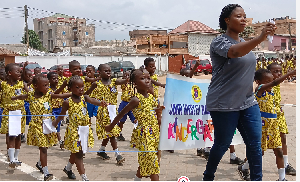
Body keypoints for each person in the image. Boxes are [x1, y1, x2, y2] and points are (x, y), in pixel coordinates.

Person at [203, 4, 276, 181]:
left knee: (255, 144)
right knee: (222, 144)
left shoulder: (245, 42)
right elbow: (234, 53)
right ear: (227, 20)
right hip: (224, 103)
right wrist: (260, 37)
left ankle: (256, 179)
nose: (243, 19)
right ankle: (208, 176)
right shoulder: (220, 42)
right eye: (238, 16)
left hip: (247, 102)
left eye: (245, 16)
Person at [105, 68, 164, 181]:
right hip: (144, 135)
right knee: (152, 163)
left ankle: (137, 179)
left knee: (148, 161)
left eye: (148, 78)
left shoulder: (152, 98)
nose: (147, 80)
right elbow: (121, 113)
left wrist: (159, 111)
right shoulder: (136, 100)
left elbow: (156, 113)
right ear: (135, 84)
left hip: (155, 133)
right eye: (142, 78)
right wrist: (111, 126)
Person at [11, 74, 71, 181]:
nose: (47, 87)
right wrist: (14, 98)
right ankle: (46, 173)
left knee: (46, 146)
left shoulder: (48, 95)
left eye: (48, 85)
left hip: (48, 124)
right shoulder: (30, 96)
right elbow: (22, 97)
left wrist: (74, 94)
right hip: (36, 126)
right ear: (35, 86)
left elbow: (60, 96)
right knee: (43, 148)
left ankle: (40, 163)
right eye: (45, 85)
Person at [240, 68, 295, 181]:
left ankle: (282, 178)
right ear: (259, 82)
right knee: (260, 153)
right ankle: (244, 167)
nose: (271, 83)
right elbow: (275, 82)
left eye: (271, 81)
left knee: (279, 151)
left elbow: (276, 83)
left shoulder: (272, 91)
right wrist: (290, 73)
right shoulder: (259, 89)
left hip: (273, 127)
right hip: (261, 127)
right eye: (267, 81)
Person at [53, 76, 106, 181]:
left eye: (82, 87)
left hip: (85, 129)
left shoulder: (84, 98)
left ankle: (68, 168)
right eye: (77, 87)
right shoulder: (67, 102)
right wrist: (55, 123)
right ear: (70, 89)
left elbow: (92, 100)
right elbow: (61, 114)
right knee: (79, 154)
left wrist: (100, 103)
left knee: (77, 151)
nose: (81, 89)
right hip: (74, 131)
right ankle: (84, 177)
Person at [85, 64, 128, 164]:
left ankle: (101, 150)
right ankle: (118, 155)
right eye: (106, 71)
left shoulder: (113, 82)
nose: (109, 72)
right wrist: (96, 102)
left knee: (109, 133)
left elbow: (121, 81)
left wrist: (126, 80)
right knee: (111, 132)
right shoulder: (96, 84)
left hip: (112, 110)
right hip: (102, 111)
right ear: (99, 72)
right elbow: (86, 95)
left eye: (110, 70)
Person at [267, 63, 296, 175]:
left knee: (283, 138)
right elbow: (275, 82)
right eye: (275, 71)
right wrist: (290, 73)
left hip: (278, 115)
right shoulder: (268, 83)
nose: (279, 74)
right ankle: (246, 164)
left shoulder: (278, 83)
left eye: (280, 71)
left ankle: (286, 164)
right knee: (262, 145)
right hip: (268, 117)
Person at [0, 63, 30, 168]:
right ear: (9, 73)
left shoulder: (22, 84)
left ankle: (16, 157)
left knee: (18, 136)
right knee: (11, 135)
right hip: (9, 113)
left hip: (20, 113)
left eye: (20, 72)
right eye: (17, 71)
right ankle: (11, 159)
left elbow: (29, 92)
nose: (19, 73)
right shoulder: (3, 85)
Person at [117, 70, 136, 141]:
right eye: (125, 75)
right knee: (121, 121)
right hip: (124, 104)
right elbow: (123, 81)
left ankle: (138, 135)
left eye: (128, 75)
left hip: (132, 104)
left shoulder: (133, 84)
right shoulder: (123, 84)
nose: (126, 77)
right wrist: (125, 80)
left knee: (135, 119)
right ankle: (119, 134)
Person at [47, 72, 64, 149]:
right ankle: (60, 140)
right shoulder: (47, 89)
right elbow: (55, 94)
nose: (56, 80)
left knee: (57, 125)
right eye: (54, 79)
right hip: (51, 110)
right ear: (49, 80)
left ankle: (54, 139)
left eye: (57, 78)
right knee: (54, 124)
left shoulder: (60, 88)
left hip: (59, 109)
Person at [21, 62, 34, 143]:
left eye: (31, 76)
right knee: (22, 120)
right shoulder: (22, 83)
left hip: (30, 104)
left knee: (30, 120)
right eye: (27, 76)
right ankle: (22, 134)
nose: (29, 77)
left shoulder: (33, 85)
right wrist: (24, 67)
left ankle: (30, 134)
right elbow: (26, 81)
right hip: (23, 103)